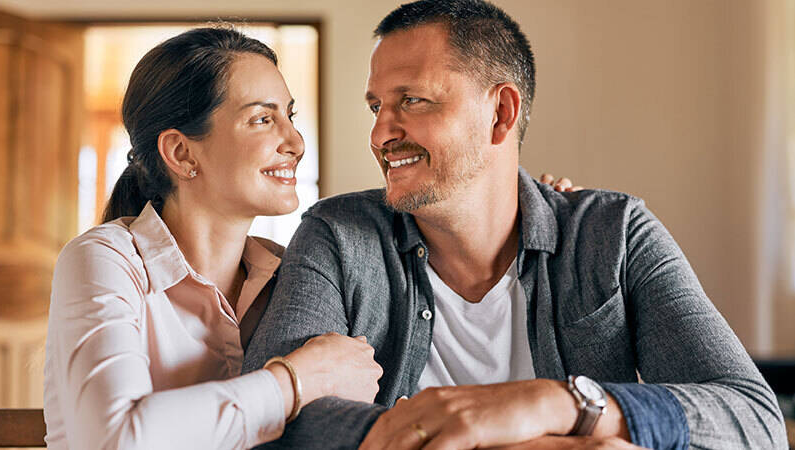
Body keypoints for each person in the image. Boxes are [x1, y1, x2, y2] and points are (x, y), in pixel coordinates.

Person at [242, 1, 788, 449]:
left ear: (501, 113)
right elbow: (279, 420)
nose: (381, 133)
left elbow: (753, 420)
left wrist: (556, 403)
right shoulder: (335, 235)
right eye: (376, 106)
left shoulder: (615, 234)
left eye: (412, 101)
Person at [42, 27, 385, 450]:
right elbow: (115, 439)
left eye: (290, 117)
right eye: (263, 119)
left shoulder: (293, 274)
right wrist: (298, 381)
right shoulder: (104, 260)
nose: (295, 142)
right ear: (182, 153)